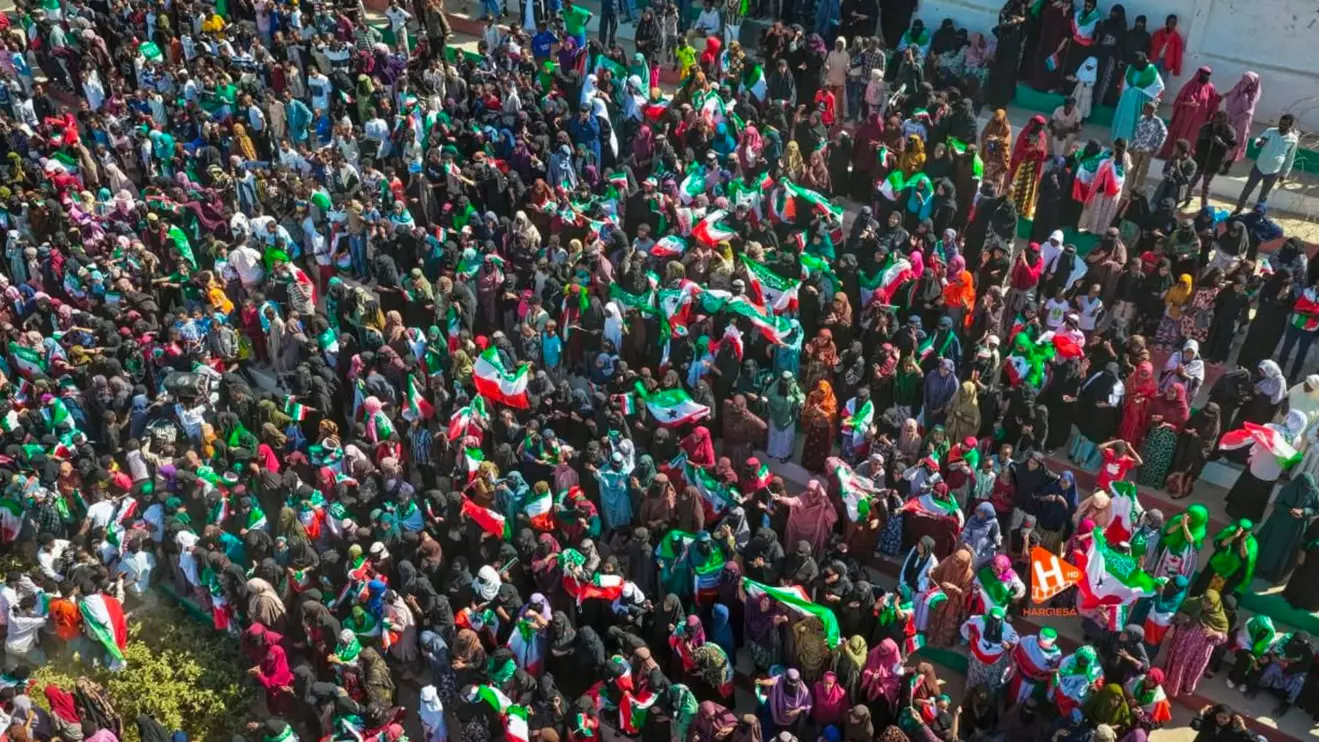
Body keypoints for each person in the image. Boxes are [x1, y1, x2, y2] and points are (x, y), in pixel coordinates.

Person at [1254, 473, 1319, 583]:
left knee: (1287, 551)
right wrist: (1289, 511)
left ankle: (1276, 574)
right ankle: (1262, 570)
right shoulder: (1288, 488)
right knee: (1271, 548)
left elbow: (1316, 509)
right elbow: (1277, 504)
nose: (1307, 489)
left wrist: (1304, 511)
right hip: (1279, 524)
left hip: (1297, 528)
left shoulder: (1315, 492)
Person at [1235, 113, 1300, 213]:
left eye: (1285, 125)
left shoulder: (1293, 139)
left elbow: (1290, 157)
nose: (1281, 126)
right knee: (1247, 189)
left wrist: (1284, 173)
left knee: (1264, 195)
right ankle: (1238, 208)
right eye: (1280, 123)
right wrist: (1258, 142)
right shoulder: (1270, 131)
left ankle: (1256, 214)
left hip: (1274, 171)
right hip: (1259, 167)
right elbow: (1259, 139)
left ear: (1290, 126)